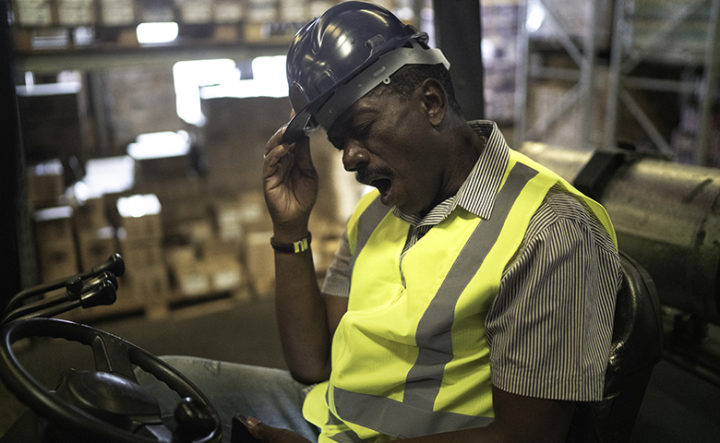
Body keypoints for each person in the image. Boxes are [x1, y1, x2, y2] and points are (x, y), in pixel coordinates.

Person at [153, 2, 622, 442]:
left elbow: (526, 437)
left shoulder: (549, 231)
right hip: (328, 415)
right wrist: (290, 229)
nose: (350, 159)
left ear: (431, 102)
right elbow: (312, 363)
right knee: (147, 386)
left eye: (363, 128)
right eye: (340, 142)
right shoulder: (377, 213)